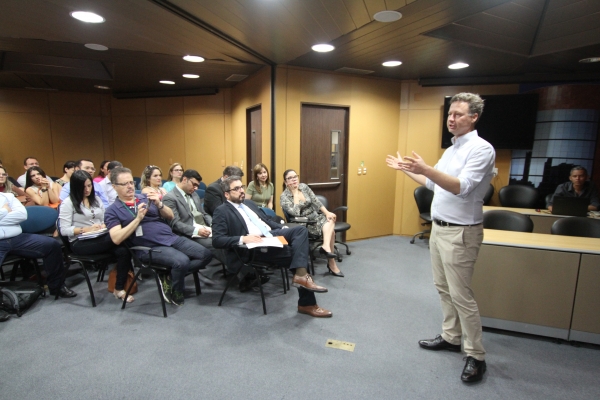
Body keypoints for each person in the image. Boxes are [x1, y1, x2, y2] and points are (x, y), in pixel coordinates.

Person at [386, 92, 494, 383]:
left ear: (474, 117)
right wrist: (410, 170)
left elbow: (463, 187)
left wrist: (427, 168)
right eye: (450, 114)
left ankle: (476, 355)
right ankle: (451, 337)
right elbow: (434, 183)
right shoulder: (451, 149)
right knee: (443, 288)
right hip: (440, 229)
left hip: (461, 233)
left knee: (462, 296)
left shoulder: (482, 149)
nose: (451, 118)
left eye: (458, 114)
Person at [212, 176, 332, 317]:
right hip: (252, 248)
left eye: (242, 187)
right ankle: (307, 303)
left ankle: (301, 278)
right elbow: (217, 240)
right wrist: (243, 238)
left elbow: (266, 221)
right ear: (227, 194)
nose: (241, 191)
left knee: (300, 230)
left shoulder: (249, 204)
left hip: (269, 236)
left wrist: (284, 229)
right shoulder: (221, 211)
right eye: (236, 189)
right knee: (297, 254)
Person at [104, 167, 213, 306]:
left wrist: (159, 204)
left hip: (170, 237)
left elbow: (170, 216)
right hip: (148, 246)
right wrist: (137, 219)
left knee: (205, 254)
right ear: (114, 187)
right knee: (182, 261)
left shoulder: (145, 198)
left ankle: (168, 276)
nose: (130, 186)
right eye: (124, 184)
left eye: (131, 182)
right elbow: (116, 238)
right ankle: (176, 291)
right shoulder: (112, 211)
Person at [58, 170, 134, 302]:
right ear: (76, 187)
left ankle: (119, 288)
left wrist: (105, 225)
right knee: (120, 238)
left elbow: (106, 218)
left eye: (89, 186)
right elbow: (64, 230)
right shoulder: (68, 203)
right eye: (84, 187)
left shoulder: (96, 199)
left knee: (123, 251)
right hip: (80, 242)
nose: (87, 189)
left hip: (100, 237)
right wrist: (85, 229)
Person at [0, 192, 77, 299]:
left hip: (17, 237)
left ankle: (57, 287)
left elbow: (22, 215)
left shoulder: (7, 197)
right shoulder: (6, 204)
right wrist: (4, 211)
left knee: (52, 245)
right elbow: (14, 215)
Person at [280, 169, 343, 277]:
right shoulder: (284, 197)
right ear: (286, 182)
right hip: (303, 223)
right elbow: (295, 213)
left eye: (295, 176)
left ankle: (326, 246)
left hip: (315, 217)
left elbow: (315, 201)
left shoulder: (304, 187)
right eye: (290, 178)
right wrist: (295, 194)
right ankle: (331, 262)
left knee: (330, 218)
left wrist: (327, 212)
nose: (294, 179)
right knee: (331, 232)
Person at [162, 169, 224, 263]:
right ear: (184, 179)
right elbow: (175, 224)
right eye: (194, 184)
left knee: (228, 239)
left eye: (197, 186)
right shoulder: (170, 198)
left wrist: (213, 223)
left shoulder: (194, 195)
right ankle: (237, 272)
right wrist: (196, 231)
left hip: (205, 229)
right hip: (189, 234)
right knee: (217, 244)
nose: (196, 188)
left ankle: (241, 268)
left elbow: (203, 213)